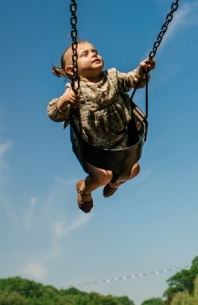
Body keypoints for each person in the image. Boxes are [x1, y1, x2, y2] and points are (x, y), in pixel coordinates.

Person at [47, 41, 155, 213]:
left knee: (135, 169)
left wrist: (142, 70)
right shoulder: (74, 91)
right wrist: (64, 100)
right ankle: (84, 190)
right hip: (93, 150)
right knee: (102, 176)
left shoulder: (112, 77)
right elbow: (54, 113)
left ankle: (116, 182)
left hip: (120, 144)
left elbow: (132, 80)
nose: (93, 54)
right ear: (71, 70)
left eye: (94, 51)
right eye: (85, 54)